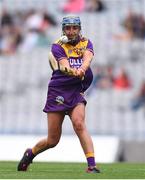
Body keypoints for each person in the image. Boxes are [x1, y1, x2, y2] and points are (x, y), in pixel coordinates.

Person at [17, 15, 100, 173]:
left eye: (74, 27)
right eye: (67, 28)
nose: (71, 31)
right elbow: (64, 65)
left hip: (76, 91)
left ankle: (92, 165)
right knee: (53, 140)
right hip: (58, 92)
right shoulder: (57, 46)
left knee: (79, 123)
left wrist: (82, 68)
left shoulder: (86, 43)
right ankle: (30, 153)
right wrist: (73, 71)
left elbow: (88, 58)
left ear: (79, 28)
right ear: (63, 29)